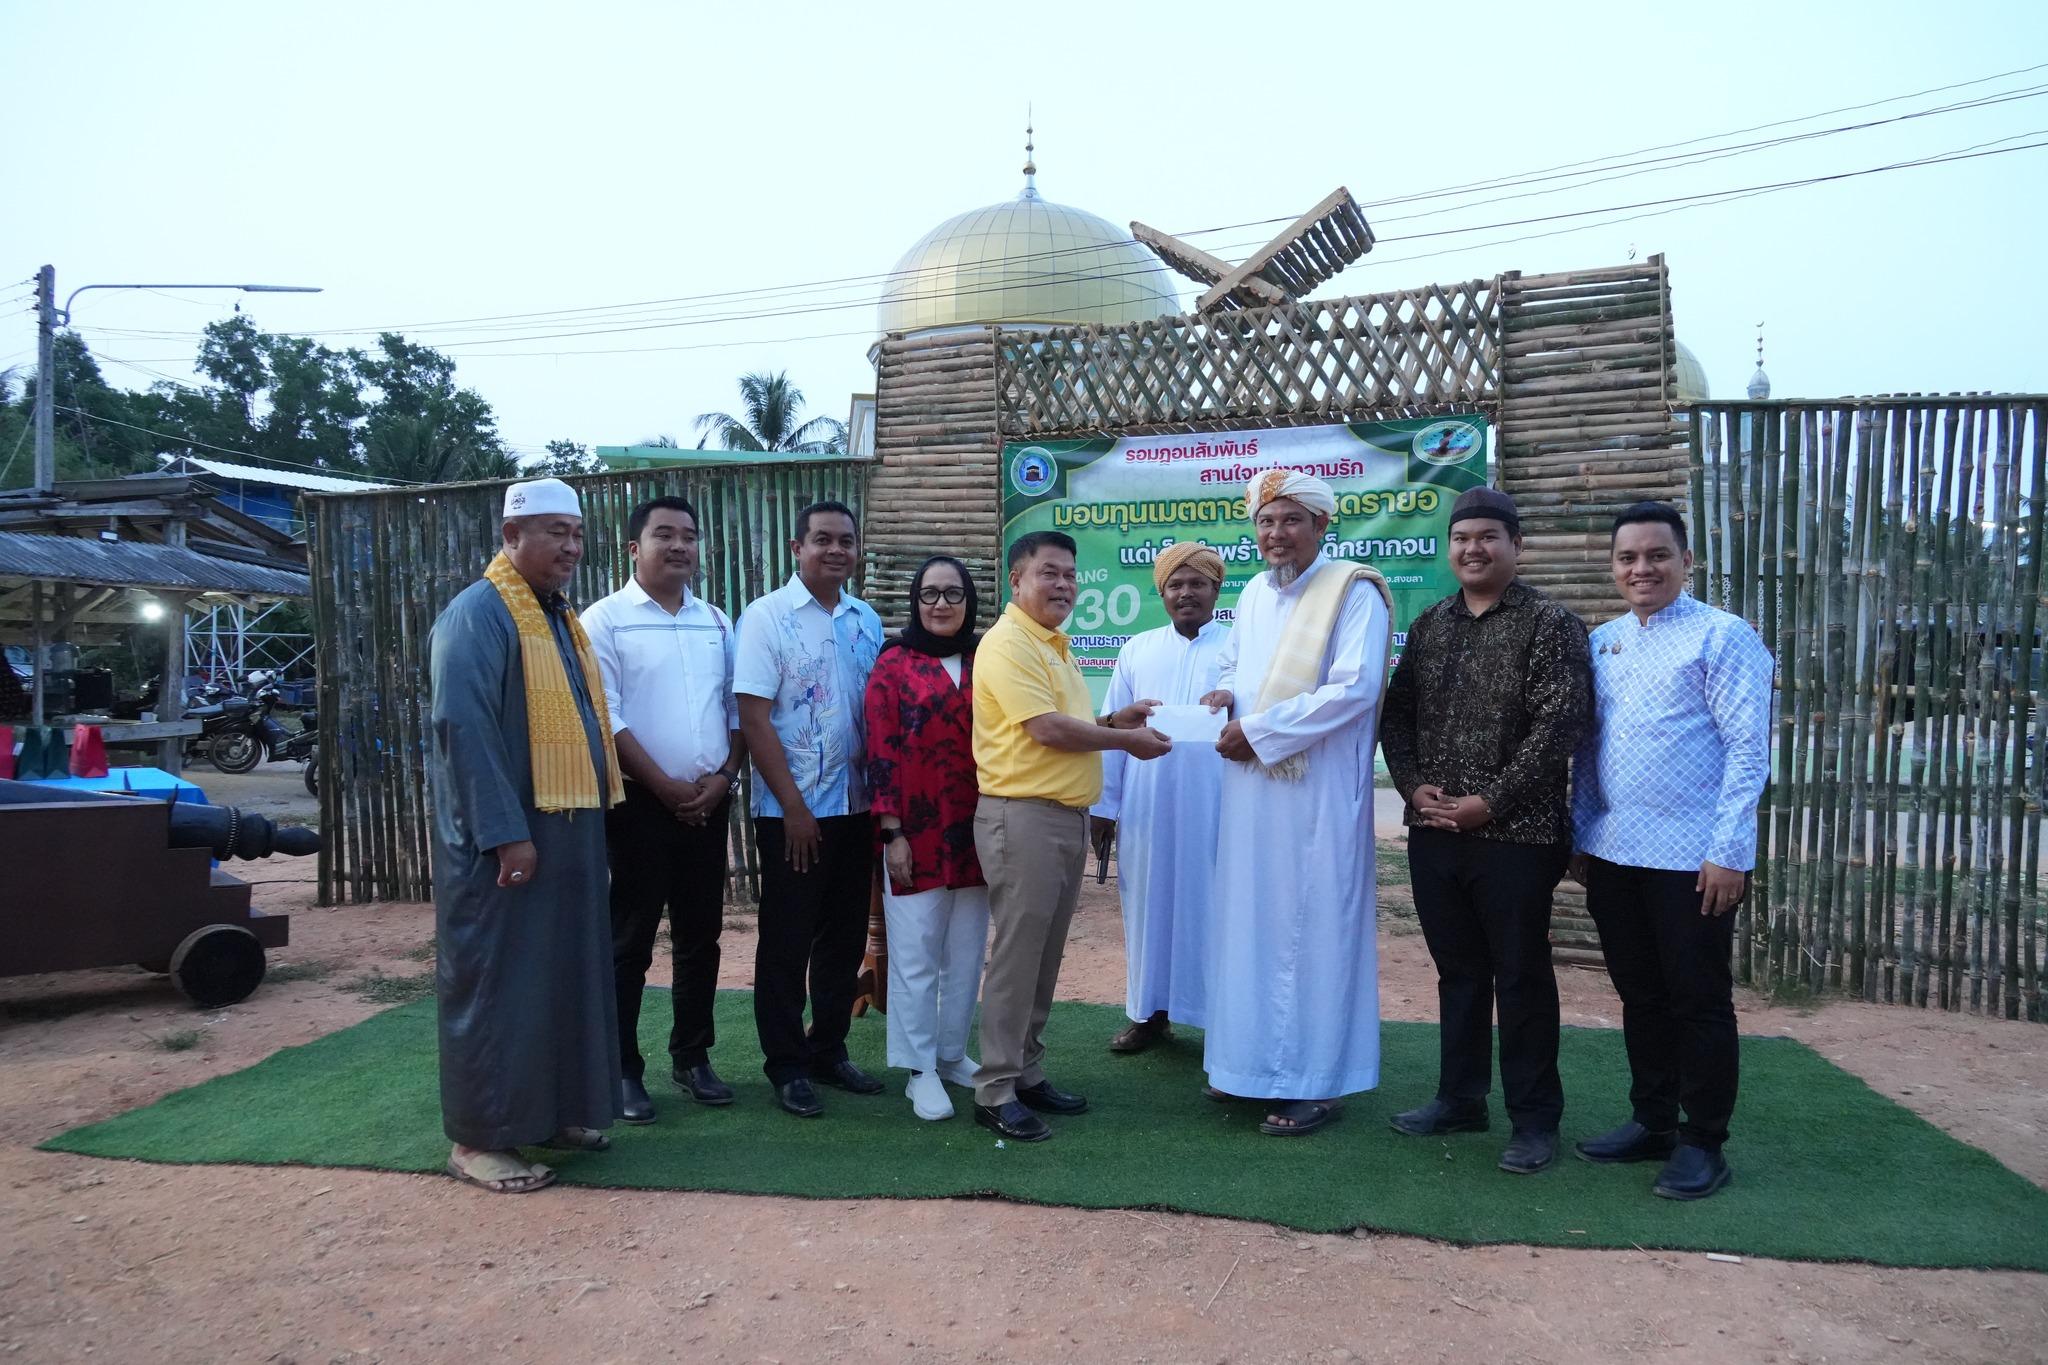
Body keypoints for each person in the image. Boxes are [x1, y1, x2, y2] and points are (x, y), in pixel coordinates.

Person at [1379, 486, 1592, 1174]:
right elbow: (1397, 714)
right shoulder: (1431, 624)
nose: (1473, 549)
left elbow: (1560, 725)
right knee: (1459, 972)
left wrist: (1490, 801)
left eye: (1487, 537)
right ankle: (1460, 1098)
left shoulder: (1550, 623)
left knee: (1521, 975)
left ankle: (1534, 1119)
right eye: (1462, 538)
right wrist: (1412, 785)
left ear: (1516, 546)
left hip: (1518, 837)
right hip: (1434, 830)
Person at [427, 477, 624, 1193]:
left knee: (562, 974)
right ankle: (479, 1139)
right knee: (500, 983)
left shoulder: (556, 615)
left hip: (567, 830)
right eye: (555, 533)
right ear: (511, 536)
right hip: (506, 841)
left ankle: (553, 1111)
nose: (571, 547)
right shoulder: (478, 615)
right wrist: (507, 834)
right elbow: (466, 731)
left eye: (577, 534)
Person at [1571, 500, 1772, 1201]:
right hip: (1614, 851)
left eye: (1657, 555)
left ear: (1686, 561)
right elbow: (1588, 748)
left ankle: (1703, 1140)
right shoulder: (1603, 643)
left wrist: (1730, 851)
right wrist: (1582, 832)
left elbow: (1748, 750)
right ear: (1613, 567)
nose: (1642, 568)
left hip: (1694, 857)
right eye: (1628, 557)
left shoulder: (1724, 637)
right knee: (1640, 994)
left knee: (1698, 999)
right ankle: (1652, 1120)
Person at [1199, 469, 1393, 1138]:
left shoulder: (1353, 591)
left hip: (1317, 795)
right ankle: (1247, 1066)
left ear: (1321, 524)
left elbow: (1355, 688)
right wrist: (1226, 695)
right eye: (1265, 521)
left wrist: (1260, 731)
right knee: (1249, 921)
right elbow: (1234, 663)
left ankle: (1316, 1082)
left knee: (1313, 930)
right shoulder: (1254, 592)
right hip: (1251, 791)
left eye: (1290, 520)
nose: (1276, 533)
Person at [971, 530, 1172, 1141]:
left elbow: (1069, 722)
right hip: (1022, 817)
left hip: (1061, 818)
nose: (1064, 585)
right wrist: (1125, 739)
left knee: (1044, 954)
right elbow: (1047, 730)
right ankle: (995, 1088)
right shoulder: (1008, 643)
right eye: (1049, 573)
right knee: (1018, 957)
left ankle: (1026, 1071)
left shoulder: (1052, 643)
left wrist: (1112, 720)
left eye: (1070, 575)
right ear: (1017, 580)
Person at [581, 496, 745, 1125]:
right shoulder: (605, 620)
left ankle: (692, 1057)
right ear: (634, 547)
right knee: (630, 940)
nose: (679, 546)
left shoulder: (716, 622)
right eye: (664, 535)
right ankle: (623, 1068)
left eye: (689, 536)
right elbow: (607, 715)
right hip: (637, 807)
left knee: (701, 937)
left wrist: (722, 779)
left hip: (707, 803)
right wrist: (664, 787)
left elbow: (736, 707)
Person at [734, 500, 886, 1118]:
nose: (836, 550)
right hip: (792, 813)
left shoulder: (865, 620)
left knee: (844, 939)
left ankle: (828, 1049)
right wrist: (794, 808)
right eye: (822, 539)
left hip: (857, 806)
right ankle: (786, 1064)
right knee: (787, 940)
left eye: (846, 540)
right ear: (797, 548)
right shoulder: (765, 617)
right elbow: (753, 717)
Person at [1091, 540, 1229, 1053]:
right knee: (1147, 908)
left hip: (1220, 807)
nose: (1186, 592)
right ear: (1162, 592)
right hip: (1147, 805)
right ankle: (1149, 1014)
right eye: (1176, 584)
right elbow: (1114, 731)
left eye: (1198, 583)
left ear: (1216, 589)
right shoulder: (1137, 649)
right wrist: (1104, 808)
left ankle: (1225, 1023)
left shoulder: (1238, 648)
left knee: (1216, 910)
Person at [864, 556, 988, 1121]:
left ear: (969, 601)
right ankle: (919, 1070)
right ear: (915, 601)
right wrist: (892, 832)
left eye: (953, 593)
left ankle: (951, 1054)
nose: (941, 604)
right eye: (930, 594)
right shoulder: (893, 664)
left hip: (979, 828)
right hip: (914, 832)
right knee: (916, 955)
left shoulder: (986, 659)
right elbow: (880, 750)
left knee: (965, 954)